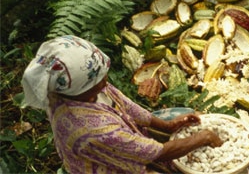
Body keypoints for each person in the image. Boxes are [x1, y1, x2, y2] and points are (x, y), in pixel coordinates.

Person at [21, 35, 223, 173]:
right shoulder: (93, 130)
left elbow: (125, 104)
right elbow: (158, 153)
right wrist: (203, 137)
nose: (105, 83)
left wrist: (168, 126)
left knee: (181, 116)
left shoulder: (77, 89)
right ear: (79, 89)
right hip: (104, 165)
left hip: (116, 139)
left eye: (103, 76)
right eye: (97, 81)